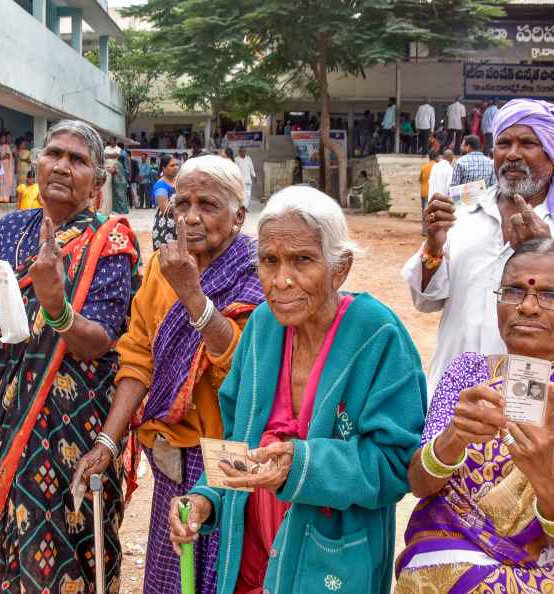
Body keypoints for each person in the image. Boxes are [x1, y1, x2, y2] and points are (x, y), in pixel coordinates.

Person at [168, 185, 427, 594]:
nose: (282, 280)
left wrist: (303, 462)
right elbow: (237, 439)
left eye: (302, 260)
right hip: (251, 555)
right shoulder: (261, 327)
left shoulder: (377, 334)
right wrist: (204, 498)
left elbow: (396, 463)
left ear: (339, 268)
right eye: (269, 261)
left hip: (331, 561)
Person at [394, 239, 554, 594]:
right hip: (443, 564)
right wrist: (453, 439)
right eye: (512, 291)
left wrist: (548, 479)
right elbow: (419, 484)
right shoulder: (467, 374)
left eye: (552, 296)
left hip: (545, 578)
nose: (527, 306)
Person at [0, 120, 140, 593]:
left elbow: (99, 340)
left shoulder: (111, 241)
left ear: (98, 183)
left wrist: (57, 307)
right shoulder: (11, 228)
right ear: (36, 165)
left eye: (78, 160)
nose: (62, 166)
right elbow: (1, 315)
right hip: (4, 417)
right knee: (11, 539)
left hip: (69, 423)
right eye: (54, 154)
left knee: (73, 538)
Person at [76, 155, 262, 594]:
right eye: (182, 204)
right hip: (170, 451)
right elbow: (138, 354)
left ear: (238, 216)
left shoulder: (256, 272)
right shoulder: (163, 266)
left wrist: (193, 296)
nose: (191, 217)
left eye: (208, 205)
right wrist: (108, 440)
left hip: (229, 452)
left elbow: (243, 372)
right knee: (170, 573)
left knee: (223, 572)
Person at [403, 98, 554, 396]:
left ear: (552, 152)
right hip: (456, 394)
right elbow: (426, 301)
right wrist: (433, 246)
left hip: (538, 396)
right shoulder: (462, 210)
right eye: (503, 143)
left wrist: (549, 250)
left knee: (528, 442)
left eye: (527, 143)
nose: (512, 155)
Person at [152, 153, 180, 250]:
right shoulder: (161, 185)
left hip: (178, 223)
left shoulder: (178, 182)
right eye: (172, 165)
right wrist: (182, 205)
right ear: (164, 168)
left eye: (177, 165)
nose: (175, 167)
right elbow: (165, 209)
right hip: (166, 226)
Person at [419, 150, 438, 235]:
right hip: (434, 192)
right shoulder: (437, 167)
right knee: (434, 212)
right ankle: (432, 230)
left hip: (424, 192)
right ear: (436, 157)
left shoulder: (424, 167)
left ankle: (424, 230)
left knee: (425, 211)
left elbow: (420, 179)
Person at [235, 146, 256, 210]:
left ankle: (246, 206)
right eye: (242, 151)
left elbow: (251, 167)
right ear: (239, 152)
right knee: (243, 194)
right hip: (241, 179)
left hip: (248, 179)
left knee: (248, 194)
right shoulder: (236, 159)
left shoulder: (248, 158)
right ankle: (244, 207)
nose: (243, 152)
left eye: (244, 151)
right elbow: (236, 169)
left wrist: (254, 176)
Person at [0, 132, 15, 203]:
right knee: (0, 181)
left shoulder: (7, 146)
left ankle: (6, 198)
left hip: (6, 166)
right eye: (2, 138)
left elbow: (7, 155)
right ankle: (0, 198)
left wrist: (0, 159)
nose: (3, 139)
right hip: (0, 166)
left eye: (4, 138)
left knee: (6, 182)